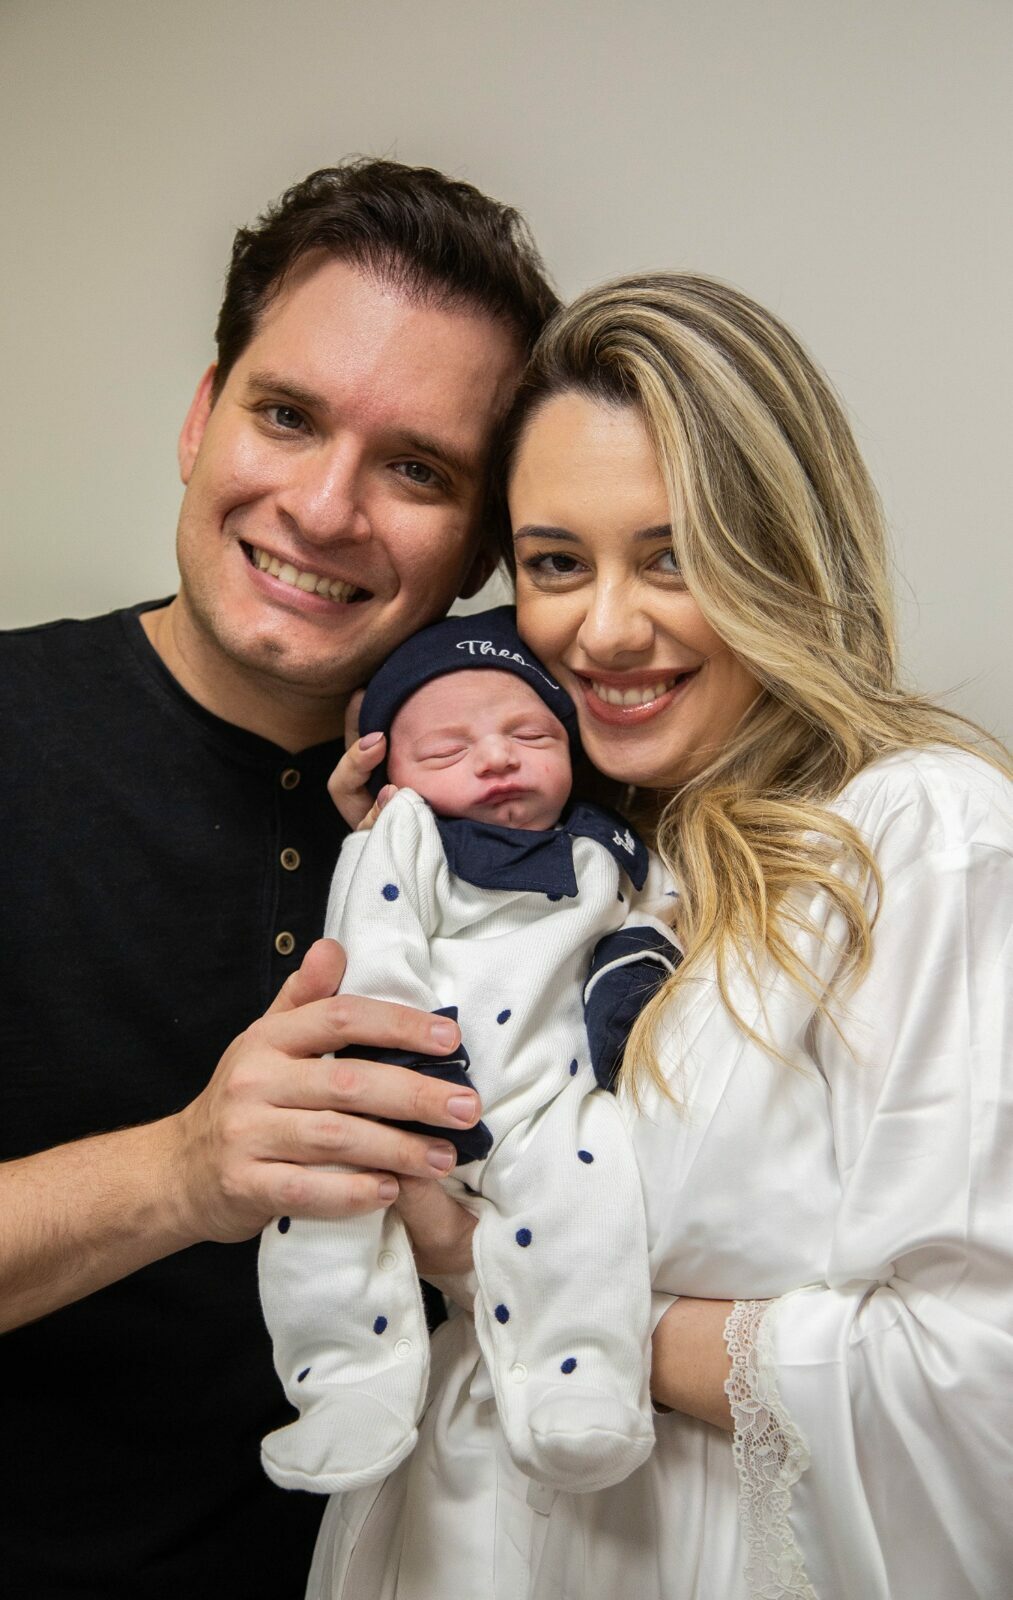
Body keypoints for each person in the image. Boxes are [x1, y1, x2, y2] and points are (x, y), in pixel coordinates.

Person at [309, 273, 1013, 1600]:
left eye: (673, 555)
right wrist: (422, 870)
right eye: (555, 563)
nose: (604, 627)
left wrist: (524, 1291)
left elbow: (973, 1382)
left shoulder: (918, 838)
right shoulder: (596, 860)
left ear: (783, 559)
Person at [0, 159, 558, 1599]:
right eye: (288, 415)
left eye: (417, 468)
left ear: (482, 546)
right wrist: (179, 1172)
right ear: (203, 416)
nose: (322, 506)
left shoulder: (546, 819)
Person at [258, 607, 680, 1497]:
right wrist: (399, 1070)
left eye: (530, 736)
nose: (494, 759)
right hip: (408, 1083)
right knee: (323, 1207)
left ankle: (580, 1382)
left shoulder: (604, 845)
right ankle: (344, 1385)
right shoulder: (404, 833)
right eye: (446, 750)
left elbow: (656, 923)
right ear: (389, 775)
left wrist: (638, 982)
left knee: (593, 1198)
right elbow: (373, 940)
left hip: (546, 1102)